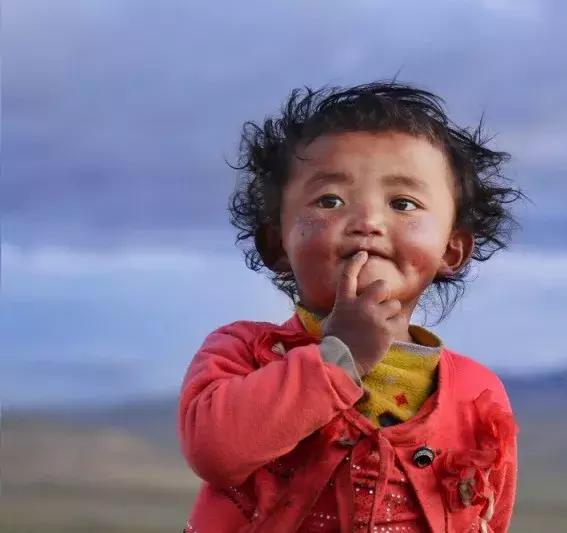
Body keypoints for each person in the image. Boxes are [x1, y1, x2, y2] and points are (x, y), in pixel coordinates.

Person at [178, 80, 526, 532]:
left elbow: (487, 518)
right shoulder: (244, 353)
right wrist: (339, 358)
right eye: (330, 200)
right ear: (276, 243)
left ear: (451, 251)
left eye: (403, 203)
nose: (367, 222)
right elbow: (215, 451)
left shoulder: (478, 395)